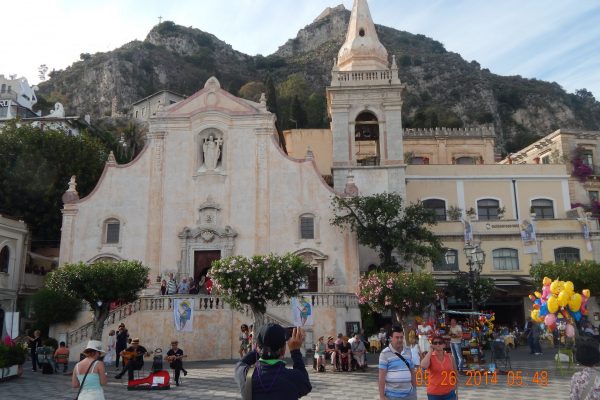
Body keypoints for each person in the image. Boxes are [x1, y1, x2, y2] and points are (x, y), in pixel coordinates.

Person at [234, 324, 312, 399]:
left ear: (257, 346)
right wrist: (295, 351)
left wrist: (259, 350)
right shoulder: (294, 378)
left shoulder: (244, 374)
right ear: (283, 350)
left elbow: (241, 363)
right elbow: (306, 385)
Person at [379, 325, 417, 400]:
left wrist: (414, 391)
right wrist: (382, 397)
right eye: (397, 337)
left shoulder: (408, 350)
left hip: (409, 395)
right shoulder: (385, 353)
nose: (400, 340)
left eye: (401, 337)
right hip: (392, 396)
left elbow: (412, 371)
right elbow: (381, 377)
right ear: (391, 338)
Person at [421, 335, 458, 400]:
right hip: (434, 393)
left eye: (440, 343)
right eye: (435, 343)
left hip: (449, 392)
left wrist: (455, 388)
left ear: (444, 345)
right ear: (432, 345)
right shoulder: (430, 357)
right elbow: (423, 366)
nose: (438, 344)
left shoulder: (450, 357)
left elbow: (455, 373)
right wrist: (430, 351)